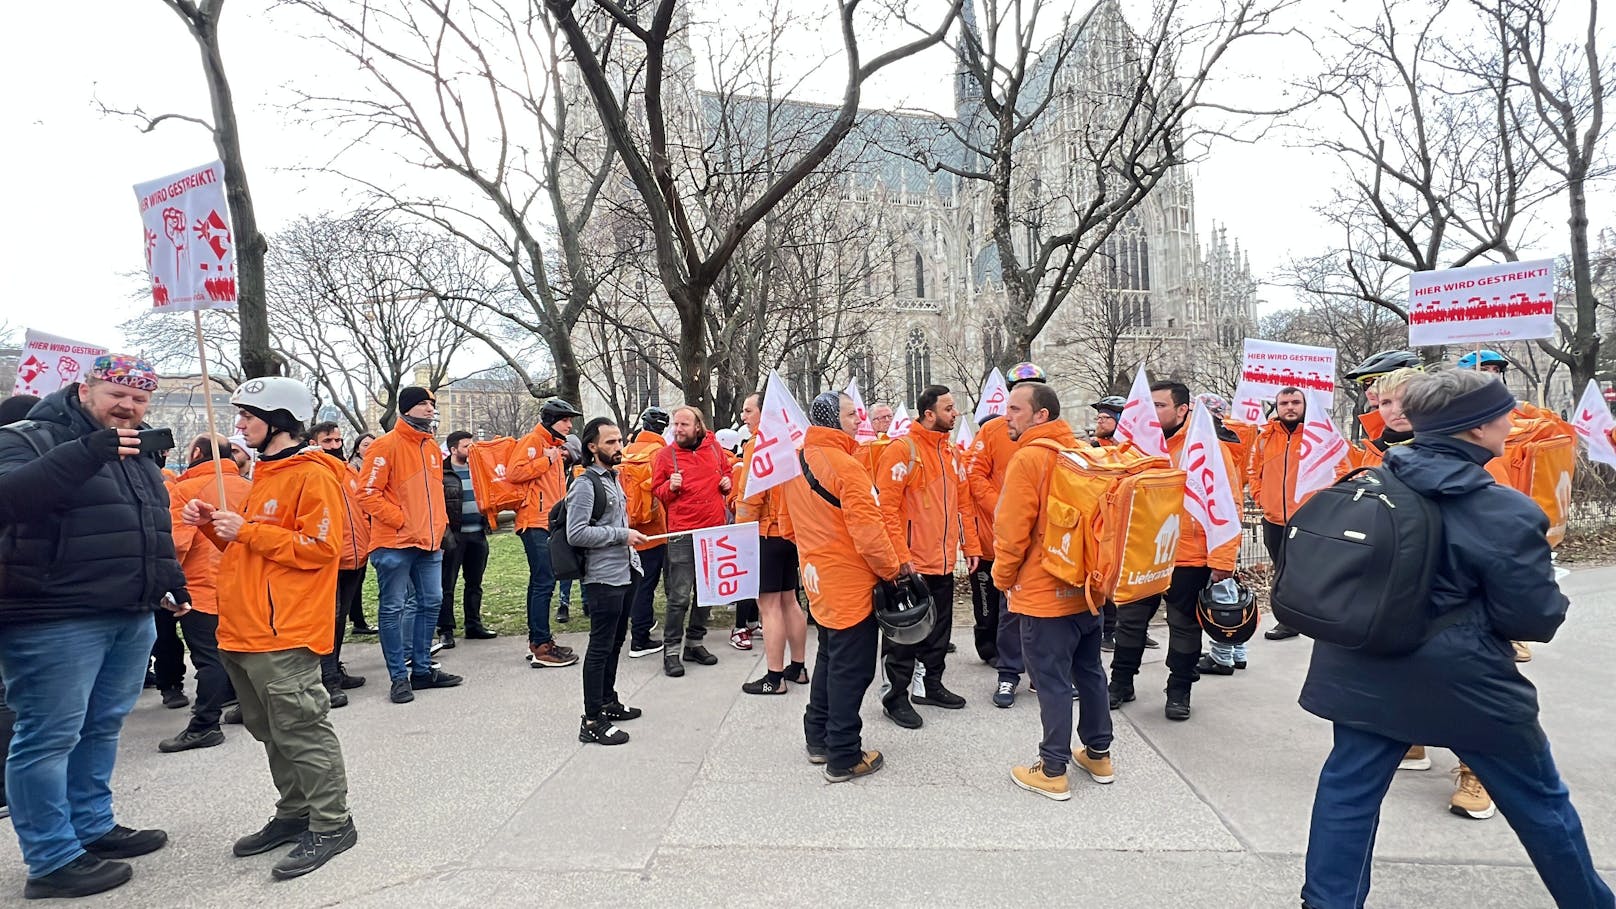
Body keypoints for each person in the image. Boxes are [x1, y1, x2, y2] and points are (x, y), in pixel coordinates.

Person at [1297, 369, 1612, 909]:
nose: (1512, 421)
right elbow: (1534, 618)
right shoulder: (1506, 510)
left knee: (1347, 795)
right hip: (1468, 684)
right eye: (1503, 414)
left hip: (1361, 669)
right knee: (1541, 803)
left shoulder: (1368, 482)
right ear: (1475, 429)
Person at [0, 355, 186, 899]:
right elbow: (10, 500)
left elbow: (153, 522)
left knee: (102, 727)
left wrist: (172, 579)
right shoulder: (26, 435)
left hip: (128, 610)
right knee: (48, 736)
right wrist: (85, 454)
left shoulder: (136, 450)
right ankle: (53, 858)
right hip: (51, 614)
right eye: (116, 395)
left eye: (139, 399)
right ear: (85, 389)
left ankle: (92, 827)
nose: (128, 407)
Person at [183, 377, 358, 881]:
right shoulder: (265, 472)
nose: (238, 426)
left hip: (285, 632)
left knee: (301, 731)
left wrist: (248, 530)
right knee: (271, 733)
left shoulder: (313, 475)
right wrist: (212, 525)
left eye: (247, 417)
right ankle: (295, 812)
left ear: (279, 419)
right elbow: (250, 552)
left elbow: (322, 550)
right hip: (243, 630)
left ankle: (332, 823)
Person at [994, 382, 1114, 800]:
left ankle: (1052, 768)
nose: (1007, 415)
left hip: (1044, 590)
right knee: (1089, 671)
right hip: (1085, 587)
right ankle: (1098, 753)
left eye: (1015, 409)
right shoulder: (1082, 451)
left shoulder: (1028, 459)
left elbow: (1012, 532)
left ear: (1040, 415)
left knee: (1051, 681)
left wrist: (1003, 579)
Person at [779, 393, 902, 782]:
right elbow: (870, 535)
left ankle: (818, 738)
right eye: (851, 414)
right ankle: (844, 756)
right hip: (851, 583)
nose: (858, 419)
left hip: (817, 579)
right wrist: (892, 571)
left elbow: (786, 526)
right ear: (832, 419)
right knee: (851, 671)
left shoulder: (794, 461)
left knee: (830, 659)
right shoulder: (847, 467)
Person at [1108, 381, 1241, 722]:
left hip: (1188, 556)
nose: (1152, 413)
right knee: (1130, 622)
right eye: (1149, 405)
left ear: (1183, 410)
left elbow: (1228, 506)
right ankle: (1121, 682)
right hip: (1142, 552)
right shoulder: (1135, 447)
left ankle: (1179, 690)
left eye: (1160, 406)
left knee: (1183, 626)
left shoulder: (1207, 448)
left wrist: (1223, 559)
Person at [875, 385, 980, 728]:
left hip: (944, 560)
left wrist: (972, 547)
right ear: (929, 413)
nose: (955, 413)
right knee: (905, 636)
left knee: (939, 632)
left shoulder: (951, 454)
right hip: (910, 563)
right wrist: (901, 557)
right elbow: (886, 510)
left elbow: (964, 506)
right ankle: (896, 697)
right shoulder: (902, 450)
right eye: (949, 408)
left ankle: (930, 684)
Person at [359, 386, 463, 704]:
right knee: (393, 607)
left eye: (431, 404)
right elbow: (366, 494)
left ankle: (421, 670)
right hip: (394, 543)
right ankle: (398, 677)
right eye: (422, 404)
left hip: (429, 543)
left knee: (431, 601)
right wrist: (402, 520)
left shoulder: (431, 446)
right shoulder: (384, 446)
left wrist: (438, 529)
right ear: (406, 409)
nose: (430, 408)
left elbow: (434, 495)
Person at [968, 363, 1061, 688]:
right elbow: (974, 474)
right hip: (1002, 534)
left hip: (1048, 541)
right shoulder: (992, 430)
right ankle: (1008, 669)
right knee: (1007, 608)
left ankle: (1040, 671)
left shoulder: (1061, 434)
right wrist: (1001, 506)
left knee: (1044, 613)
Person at [160, 433, 252, 752]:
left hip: (202, 586)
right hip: (245, 585)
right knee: (242, 652)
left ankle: (205, 725)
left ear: (197, 452)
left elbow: (176, 544)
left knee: (209, 659)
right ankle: (250, 707)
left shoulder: (184, 491)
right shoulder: (250, 486)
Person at [565, 418, 649, 745]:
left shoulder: (614, 478)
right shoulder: (586, 484)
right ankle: (591, 720)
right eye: (611, 442)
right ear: (592, 447)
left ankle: (607, 701)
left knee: (615, 642)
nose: (618, 447)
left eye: (619, 441)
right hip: (602, 577)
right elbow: (577, 533)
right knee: (600, 647)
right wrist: (622, 535)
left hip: (625, 572)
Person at [1249, 387, 1347, 646]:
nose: (1289, 407)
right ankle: (1289, 620)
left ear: (1305, 405)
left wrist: (1324, 505)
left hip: (1309, 519)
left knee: (1309, 571)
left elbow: (1341, 470)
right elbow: (1253, 470)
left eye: (1295, 402)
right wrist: (1261, 497)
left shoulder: (1320, 434)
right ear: (1277, 406)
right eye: (1284, 403)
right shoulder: (1265, 437)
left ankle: (1315, 616)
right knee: (1282, 571)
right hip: (1274, 519)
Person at [735, 392, 809, 694]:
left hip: (767, 532)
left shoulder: (759, 446)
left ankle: (774, 678)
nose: (744, 417)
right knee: (790, 600)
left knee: (768, 606)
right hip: (792, 534)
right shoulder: (797, 443)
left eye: (749, 410)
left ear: (764, 413)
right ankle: (799, 667)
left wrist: (741, 535)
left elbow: (751, 495)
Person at [651, 406, 733, 676]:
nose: (677, 429)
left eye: (684, 424)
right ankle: (671, 650)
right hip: (682, 534)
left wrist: (726, 482)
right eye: (676, 424)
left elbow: (728, 473)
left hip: (712, 533)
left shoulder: (714, 449)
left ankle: (695, 643)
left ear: (698, 426)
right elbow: (658, 493)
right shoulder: (665, 455)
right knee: (679, 596)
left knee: (707, 593)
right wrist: (669, 487)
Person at [509, 399, 585, 668]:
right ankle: (541, 646)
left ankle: (540, 641)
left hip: (547, 522)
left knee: (541, 582)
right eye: (565, 420)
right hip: (534, 522)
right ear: (552, 420)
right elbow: (514, 472)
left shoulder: (553, 445)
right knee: (543, 582)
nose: (570, 424)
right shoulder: (534, 442)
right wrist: (546, 460)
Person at [304, 423, 369, 706]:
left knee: (340, 618)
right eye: (327, 440)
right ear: (313, 442)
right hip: (329, 557)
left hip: (355, 555)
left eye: (338, 439)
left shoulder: (349, 471)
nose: (335, 444)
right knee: (328, 618)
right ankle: (326, 677)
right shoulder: (311, 471)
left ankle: (334, 668)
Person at [0, 394, 38, 821]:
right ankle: (51, 854)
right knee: (41, 726)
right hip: (22, 597)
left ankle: (92, 823)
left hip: (30, 596)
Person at [621, 407, 671, 659]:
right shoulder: (661, 452)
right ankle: (640, 639)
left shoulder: (626, 450)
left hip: (627, 527)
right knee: (646, 585)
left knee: (636, 582)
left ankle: (642, 623)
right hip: (653, 529)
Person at [439, 430, 496, 647]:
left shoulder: (478, 468)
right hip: (454, 536)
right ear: (453, 449)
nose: (471, 450)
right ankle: (445, 630)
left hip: (478, 534)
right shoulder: (442, 472)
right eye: (466, 446)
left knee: (475, 583)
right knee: (447, 584)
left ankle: (473, 625)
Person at [343, 433, 378, 635]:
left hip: (375, 526)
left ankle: (358, 619)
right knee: (356, 575)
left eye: (373, 445)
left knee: (361, 576)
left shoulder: (379, 466)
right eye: (365, 445)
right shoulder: (353, 469)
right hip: (360, 528)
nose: (369, 448)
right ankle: (357, 619)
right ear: (357, 448)